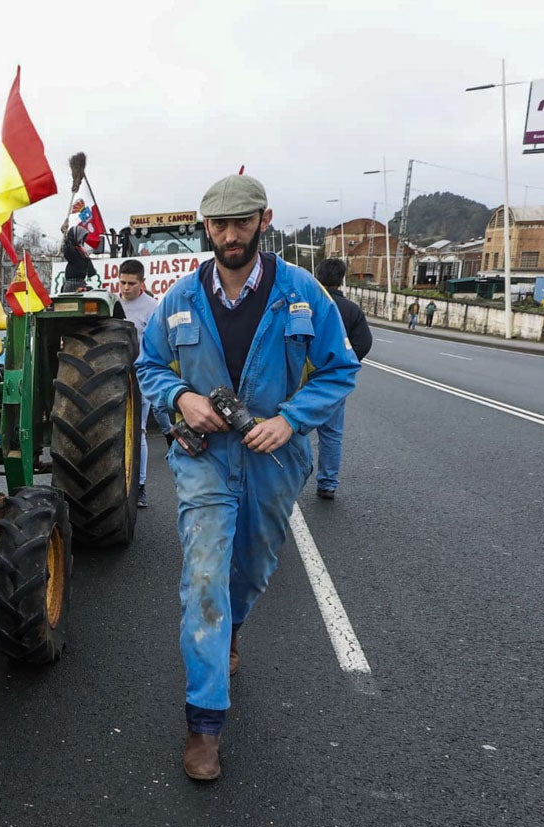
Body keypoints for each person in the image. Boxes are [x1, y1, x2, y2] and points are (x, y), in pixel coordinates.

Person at [136, 173, 359, 781]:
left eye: (241, 223)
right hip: (205, 457)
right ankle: (204, 725)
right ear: (205, 228)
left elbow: (340, 372)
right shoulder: (179, 299)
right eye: (219, 225)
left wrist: (290, 421)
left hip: (272, 460)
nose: (230, 236)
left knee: (251, 566)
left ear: (264, 219)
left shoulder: (304, 295)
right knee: (204, 577)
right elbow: (149, 366)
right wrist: (180, 397)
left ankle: (233, 628)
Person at [313, 259, 372, 500]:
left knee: (290, 428)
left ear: (317, 276)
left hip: (301, 379)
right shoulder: (351, 310)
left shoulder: (310, 304)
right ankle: (327, 483)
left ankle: (284, 481)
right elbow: (364, 343)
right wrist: (343, 365)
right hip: (332, 382)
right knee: (331, 433)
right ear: (342, 279)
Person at [116, 259, 169, 508]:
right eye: (122, 282)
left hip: (139, 376)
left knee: (139, 431)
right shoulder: (111, 303)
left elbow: (158, 345)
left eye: (131, 284)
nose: (125, 288)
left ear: (141, 283)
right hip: (114, 377)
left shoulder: (152, 308)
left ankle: (140, 486)